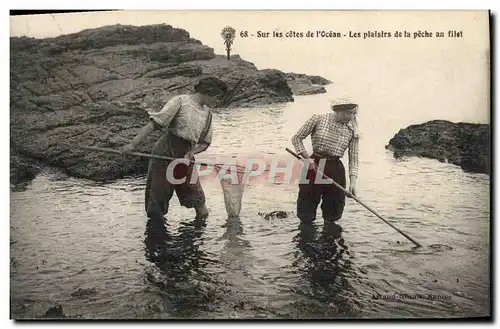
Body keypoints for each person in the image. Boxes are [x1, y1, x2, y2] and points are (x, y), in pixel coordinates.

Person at [120, 77, 229, 221]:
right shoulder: (181, 102)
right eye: (217, 97)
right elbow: (155, 124)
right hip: (166, 152)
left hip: (186, 157)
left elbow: (205, 143)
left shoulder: (207, 114)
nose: (218, 101)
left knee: (199, 204)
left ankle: (197, 241)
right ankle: (158, 239)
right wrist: (132, 144)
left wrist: (191, 153)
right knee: (158, 202)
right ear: (209, 91)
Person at [291, 97, 360, 224]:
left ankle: (330, 240)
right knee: (306, 210)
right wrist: (307, 159)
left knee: (333, 213)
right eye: (348, 113)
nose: (351, 116)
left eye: (353, 113)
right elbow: (296, 138)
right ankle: (306, 240)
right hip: (314, 164)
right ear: (337, 111)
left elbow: (354, 159)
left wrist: (353, 183)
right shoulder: (318, 119)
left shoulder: (353, 130)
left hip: (335, 169)